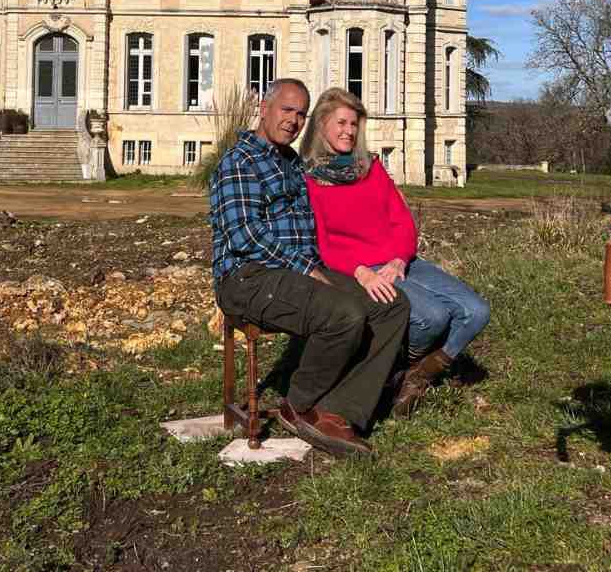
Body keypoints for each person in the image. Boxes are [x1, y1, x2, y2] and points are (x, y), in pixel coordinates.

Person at [209, 78, 410, 457]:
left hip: (298, 272)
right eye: (287, 110)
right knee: (345, 314)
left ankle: (339, 410)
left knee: (392, 306)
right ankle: (297, 404)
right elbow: (245, 236)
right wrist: (309, 269)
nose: (293, 120)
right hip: (248, 278)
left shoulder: (290, 163)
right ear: (264, 108)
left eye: (301, 114)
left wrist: (356, 261)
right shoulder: (239, 161)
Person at [300, 87, 490, 417]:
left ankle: (414, 375)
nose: (349, 130)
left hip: (399, 261)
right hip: (358, 269)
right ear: (321, 125)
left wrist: (400, 259)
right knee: (431, 317)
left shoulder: (370, 169)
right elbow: (322, 242)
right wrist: (361, 271)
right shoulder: (310, 180)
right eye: (341, 122)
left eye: (354, 123)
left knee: (476, 312)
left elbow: (401, 220)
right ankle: (396, 369)